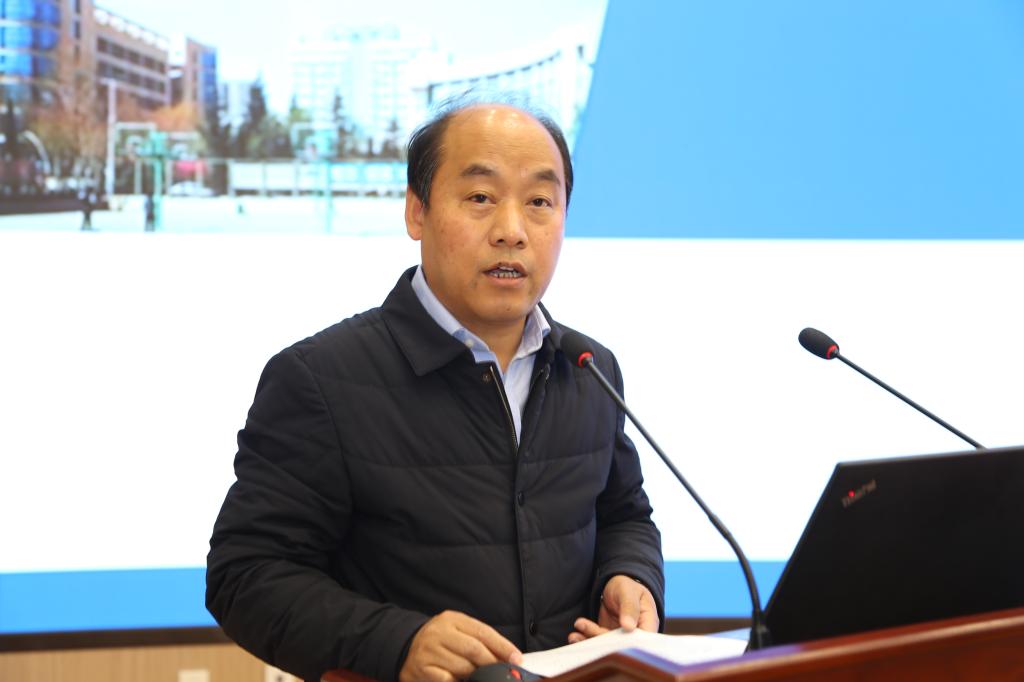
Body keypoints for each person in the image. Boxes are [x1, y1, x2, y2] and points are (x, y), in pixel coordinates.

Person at [206, 98, 664, 682]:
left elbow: (624, 515)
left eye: (539, 202)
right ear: (416, 211)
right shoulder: (320, 379)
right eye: (480, 197)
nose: (512, 231)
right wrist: (399, 643)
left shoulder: (589, 368)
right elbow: (245, 575)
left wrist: (631, 576)